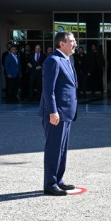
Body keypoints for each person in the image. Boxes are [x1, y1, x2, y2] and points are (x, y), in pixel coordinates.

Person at [39, 31, 78, 196]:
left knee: (62, 149)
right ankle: (50, 184)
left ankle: (59, 180)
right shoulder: (53, 60)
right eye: (72, 41)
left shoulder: (67, 59)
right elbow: (49, 90)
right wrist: (53, 111)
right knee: (54, 148)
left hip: (67, 112)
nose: (75, 44)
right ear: (62, 43)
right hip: (56, 113)